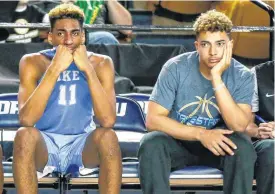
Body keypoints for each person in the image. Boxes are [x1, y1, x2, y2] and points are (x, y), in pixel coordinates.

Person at [138, 10, 256, 194]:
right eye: (205, 44)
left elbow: (239, 125)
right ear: (197, 46)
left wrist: (216, 77)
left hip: (219, 146)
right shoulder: (175, 67)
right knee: (151, 142)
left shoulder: (242, 75)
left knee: (242, 146)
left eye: (220, 44)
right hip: (179, 143)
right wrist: (202, 134)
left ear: (230, 45)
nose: (213, 52)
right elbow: (153, 120)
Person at [13, 3, 122, 194]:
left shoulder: (101, 63)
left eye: (75, 33)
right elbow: (27, 119)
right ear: (50, 37)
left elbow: (108, 120)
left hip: (82, 142)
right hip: (44, 143)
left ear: (83, 36)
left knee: (109, 137)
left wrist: (87, 69)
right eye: (61, 33)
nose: (69, 40)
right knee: (23, 135)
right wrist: (54, 69)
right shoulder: (32, 62)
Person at [245, 61, 274, 194]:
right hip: (269, 141)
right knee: (271, 149)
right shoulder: (257, 74)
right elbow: (246, 125)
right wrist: (258, 131)